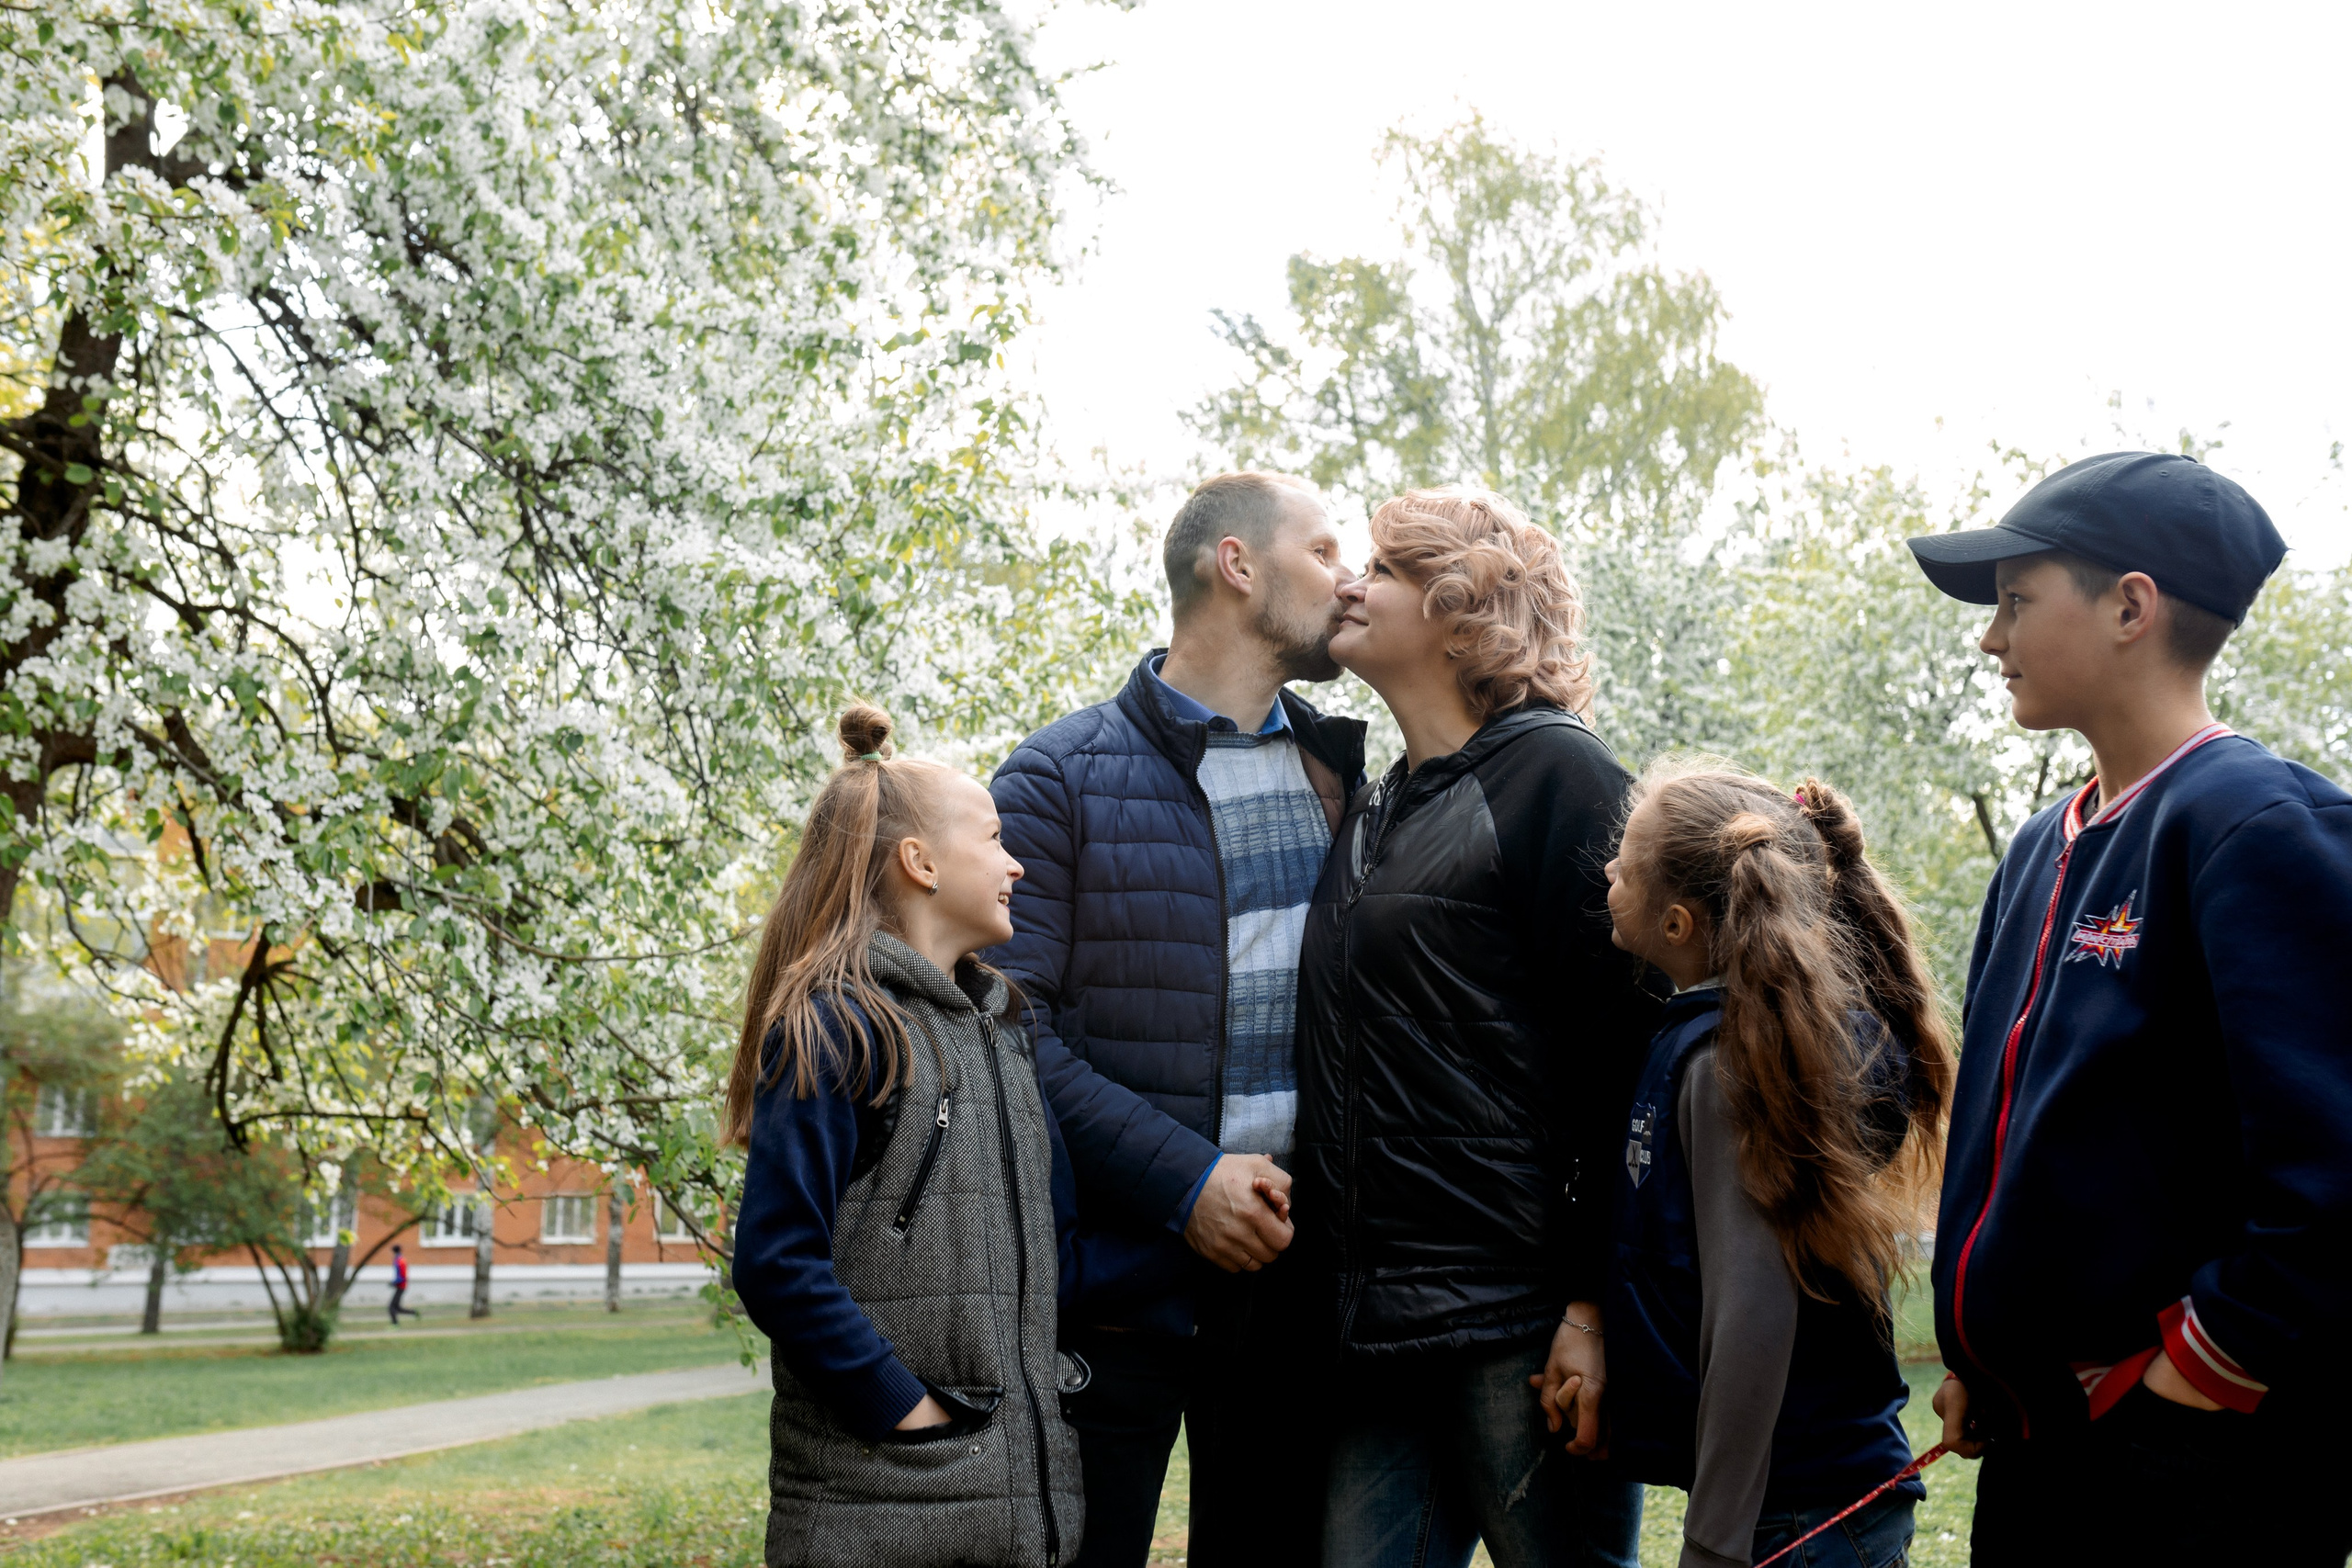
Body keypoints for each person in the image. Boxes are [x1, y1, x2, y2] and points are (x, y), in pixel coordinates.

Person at [1905, 452, 2352, 1567]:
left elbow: (2329, 1166)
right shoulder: (2036, 846)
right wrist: (1984, 1361)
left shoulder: (2251, 825)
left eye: (2014, 600)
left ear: (2130, 606)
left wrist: (2204, 1368)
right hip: (2034, 1438)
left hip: (2190, 1465)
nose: (1988, 637)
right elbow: (2017, 1138)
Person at [988, 471, 1365, 1567]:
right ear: (1235, 566)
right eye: (1326, 550)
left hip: (1295, 1301)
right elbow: (1009, 1031)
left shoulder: (1343, 779)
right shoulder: (1058, 778)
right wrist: (1184, 1183)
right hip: (1114, 1293)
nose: (1349, 583)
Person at [1293, 484, 1658, 1567]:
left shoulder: (1561, 775)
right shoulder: (1376, 802)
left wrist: (1589, 1307)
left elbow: (1623, 1058)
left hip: (1521, 1322)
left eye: (1385, 571)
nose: (1352, 586)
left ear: (1465, 613)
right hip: (1373, 1324)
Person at [729, 705, 1084, 1568]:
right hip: (879, 1510)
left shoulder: (1001, 1033)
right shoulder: (840, 1026)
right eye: (995, 838)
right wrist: (903, 1406)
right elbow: (777, 1261)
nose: (1018, 862)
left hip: (1013, 1520)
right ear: (919, 862)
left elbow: (1056, 1243)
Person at [1600, 765, 1955, 1568]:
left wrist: (1714, 1542)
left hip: (1792, 1519)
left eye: (1625, 863)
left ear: (1680, 922)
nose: (1608, 873)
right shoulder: (1761, 1042)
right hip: (1823, 1498)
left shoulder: (1727, 1066)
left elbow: (1752, 1315)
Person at [388, 1244, 419, 1324]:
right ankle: (414, 1313)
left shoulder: (399, 1261)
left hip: (401, 1286)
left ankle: (395, 1324)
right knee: (397, 1307)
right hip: (402, 1285)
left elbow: (401, 1276)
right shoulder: (401, 1259)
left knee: (391, 1307)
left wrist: (393, 1283)